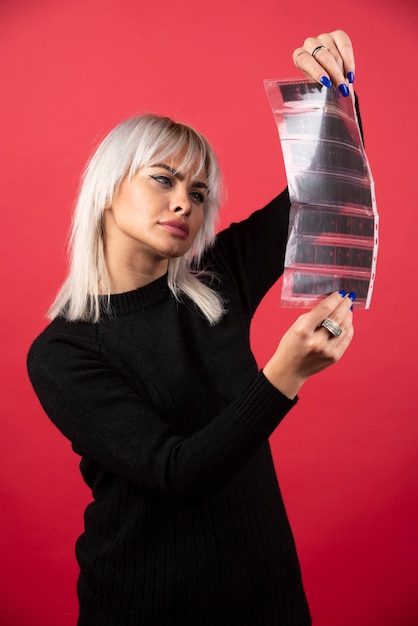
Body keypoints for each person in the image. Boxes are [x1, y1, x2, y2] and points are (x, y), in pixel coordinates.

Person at [27, 30, 358, 626]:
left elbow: (327, 194)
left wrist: (336, 100)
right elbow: (176, 473)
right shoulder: (63, 352)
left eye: (199, 192)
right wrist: (284, 375)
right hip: (146, 607)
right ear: (108, 189)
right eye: (163, 179)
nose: (184, 202)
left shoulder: (218, 275)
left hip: (269, 596)